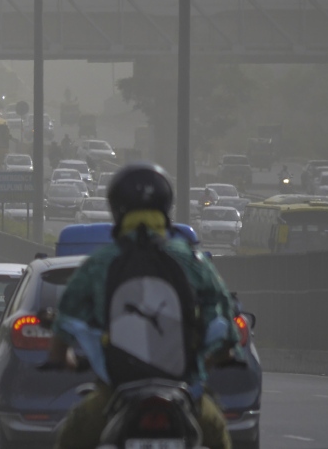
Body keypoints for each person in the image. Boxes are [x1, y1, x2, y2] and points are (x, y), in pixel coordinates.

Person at [49, 163, 242, 449]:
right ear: (166, 207)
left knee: (70, 438)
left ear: (116, 209)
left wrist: (65, 359)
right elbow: (226, 337)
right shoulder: (194, 262)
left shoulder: (100, 263)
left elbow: (62, 331)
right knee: (217, 433)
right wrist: (204, 362)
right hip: (184, 394)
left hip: (115, 393)